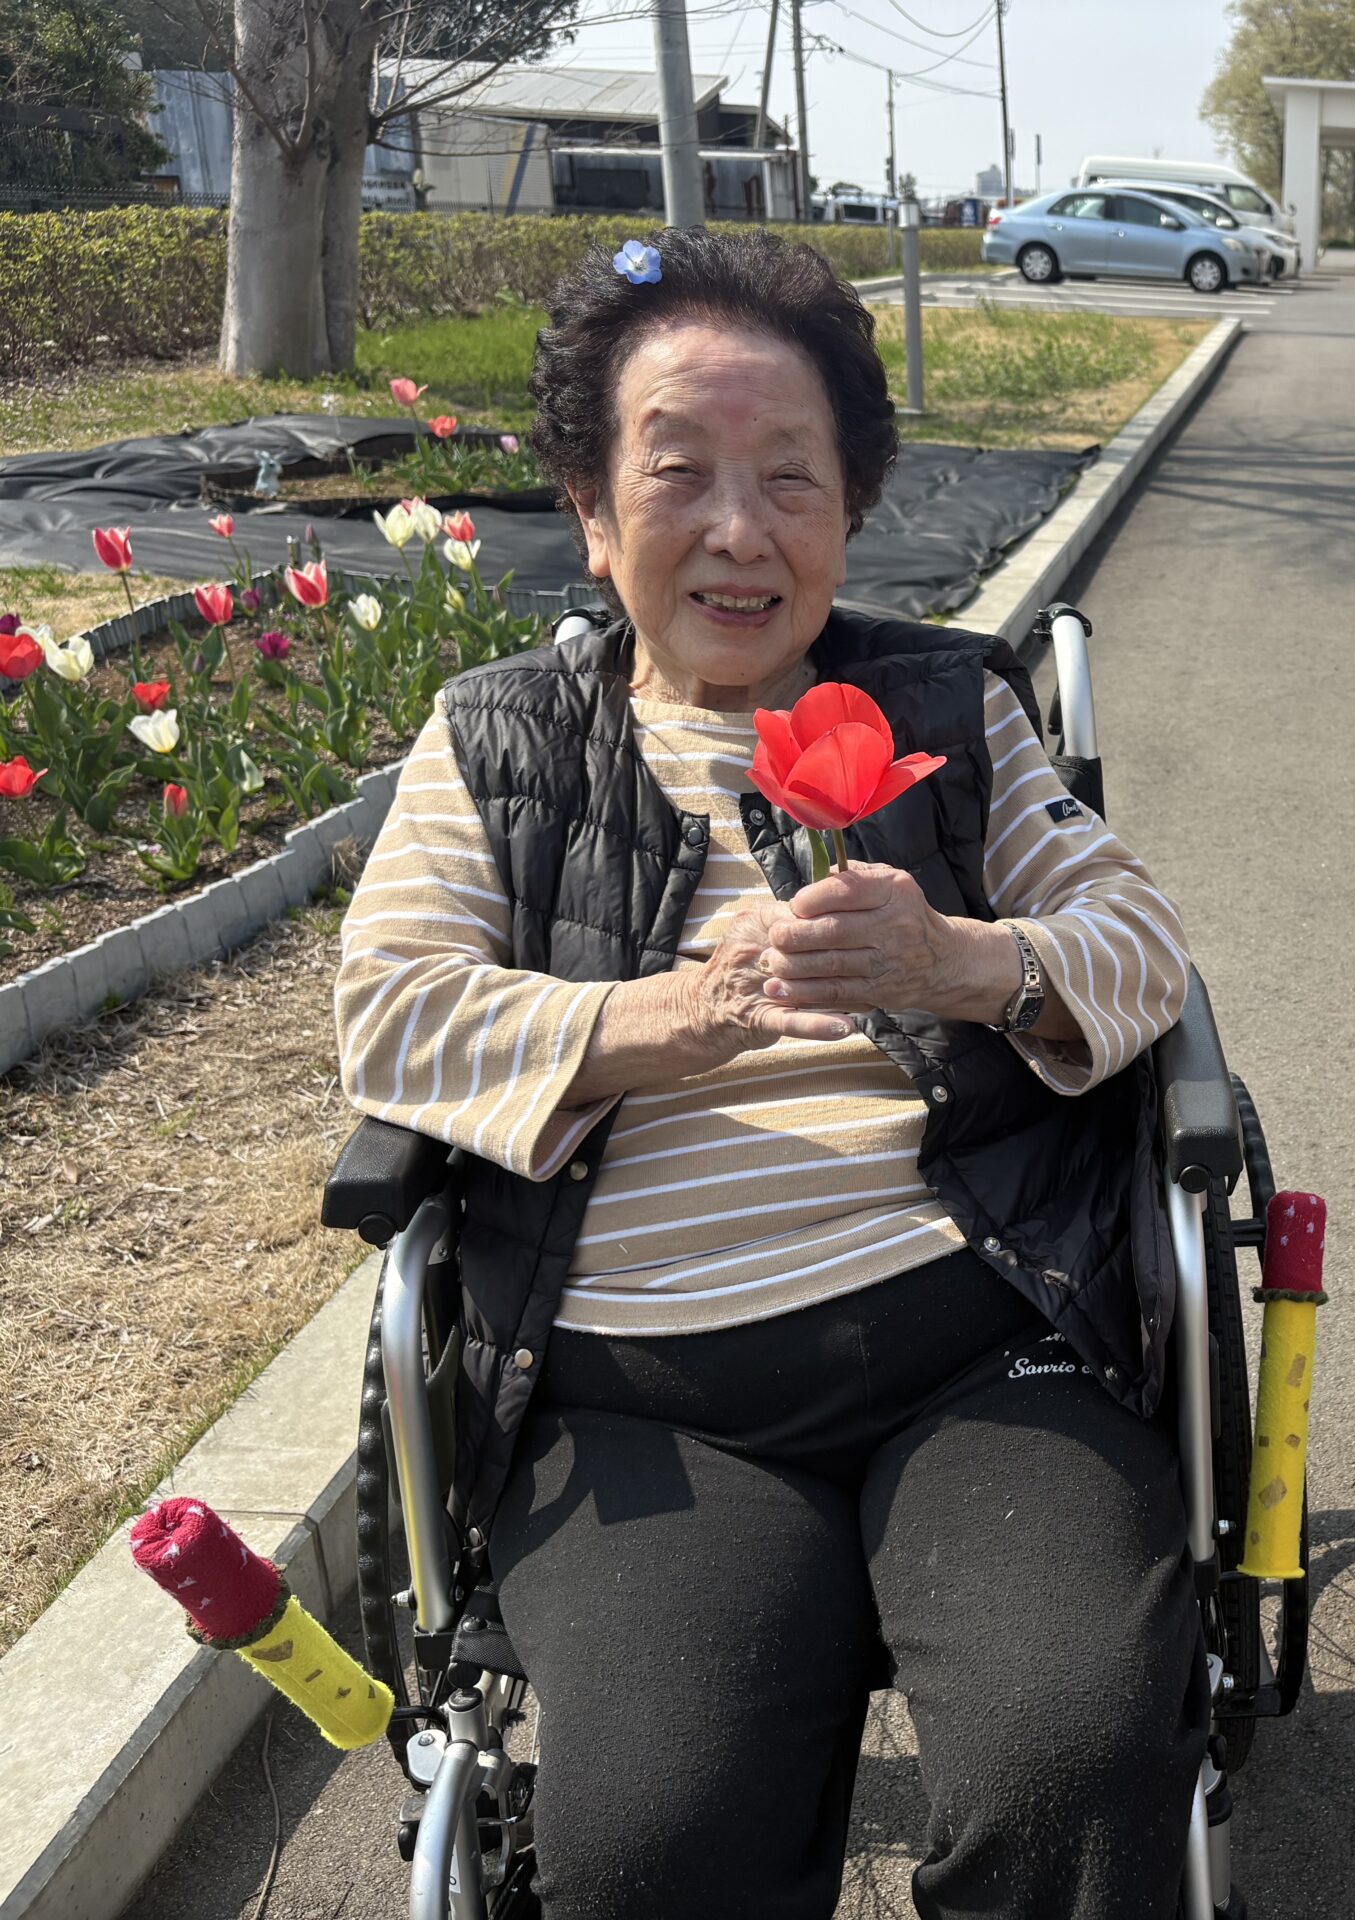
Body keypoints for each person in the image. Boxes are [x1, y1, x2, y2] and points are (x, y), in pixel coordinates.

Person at [335, 226, 1202, 1920]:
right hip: (644, 1396)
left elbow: (1143, 946)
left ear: (850, 508)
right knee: (655, 1845)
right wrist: (670, 1018)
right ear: (591, 511)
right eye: (679, 474)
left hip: (980, 1341)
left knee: (1075, 1762)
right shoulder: (500, 740)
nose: (741, 531)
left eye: (792, 477)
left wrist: (965, 962)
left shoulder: (951, 707)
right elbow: (392, 1015)